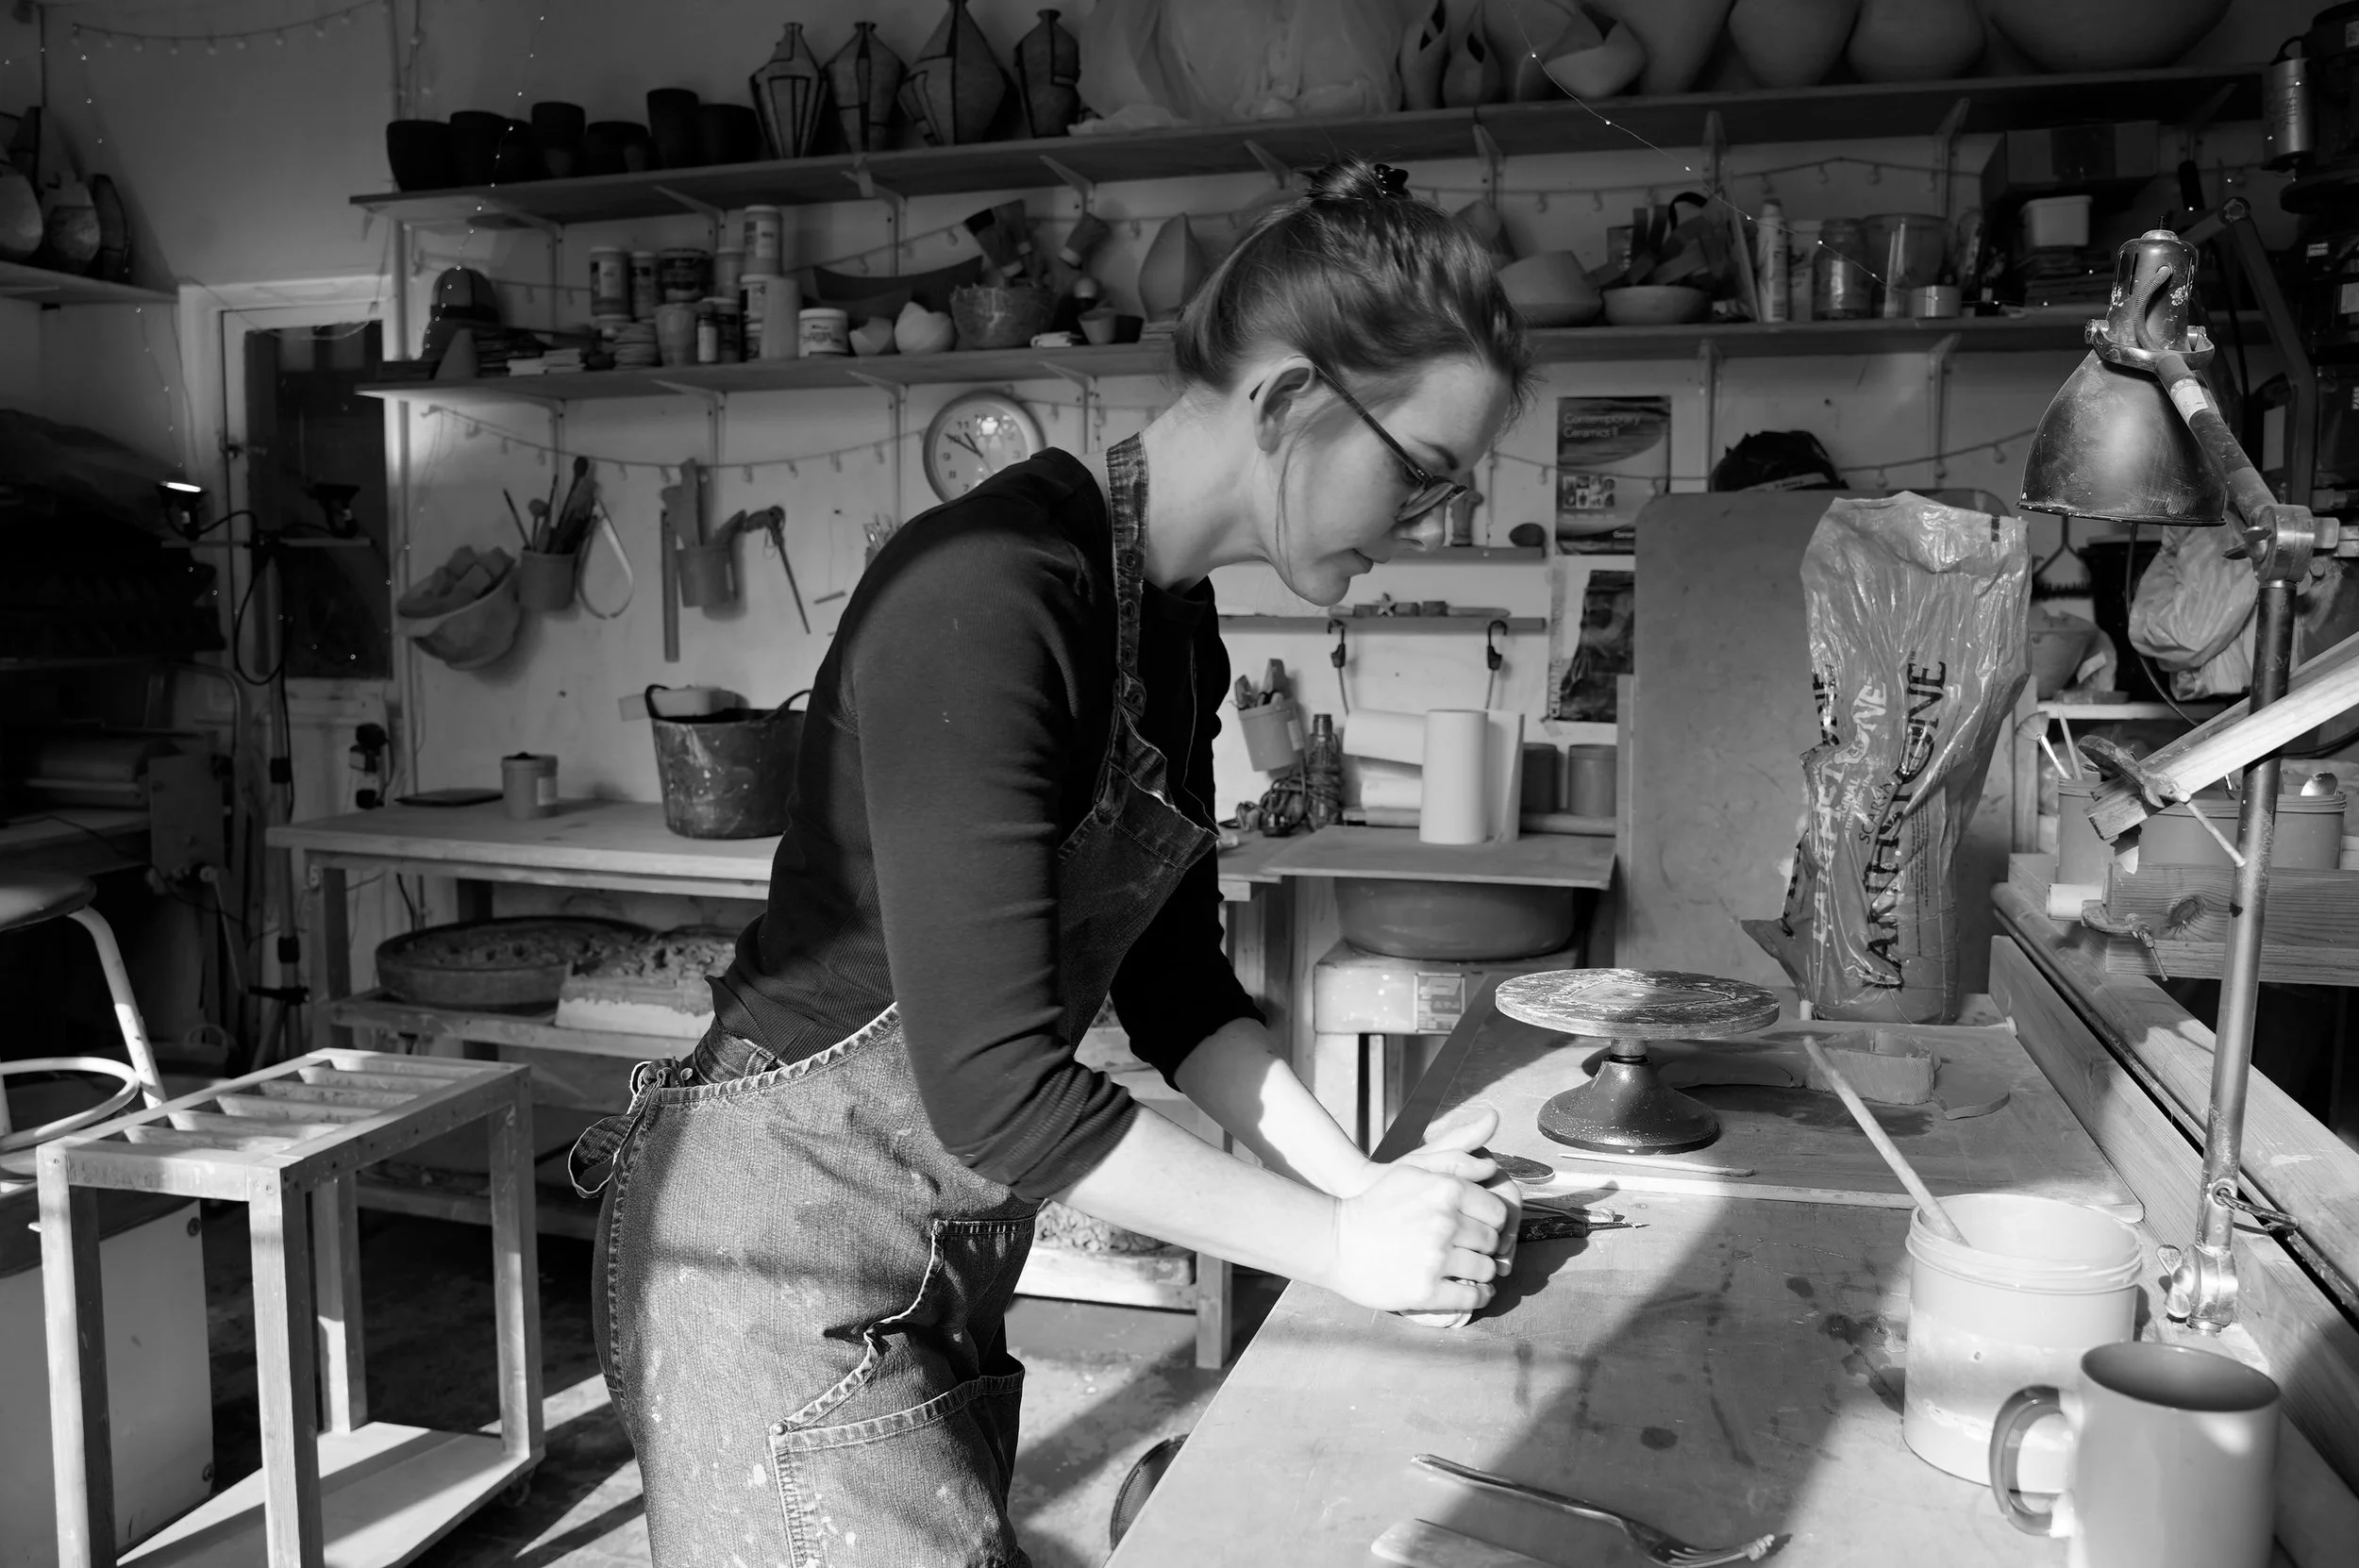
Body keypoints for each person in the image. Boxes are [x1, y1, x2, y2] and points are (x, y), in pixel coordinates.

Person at [569, 157, 1534, 1566]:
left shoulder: (1172, 624)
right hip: (773, 1260)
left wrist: (1360, 1193)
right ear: (1289, 402)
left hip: (937, 1257)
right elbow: (999, 1092)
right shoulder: (989, 591)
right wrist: (1340, 1253)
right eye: (1423, 473)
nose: (1429, 521)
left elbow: (1178, 990)